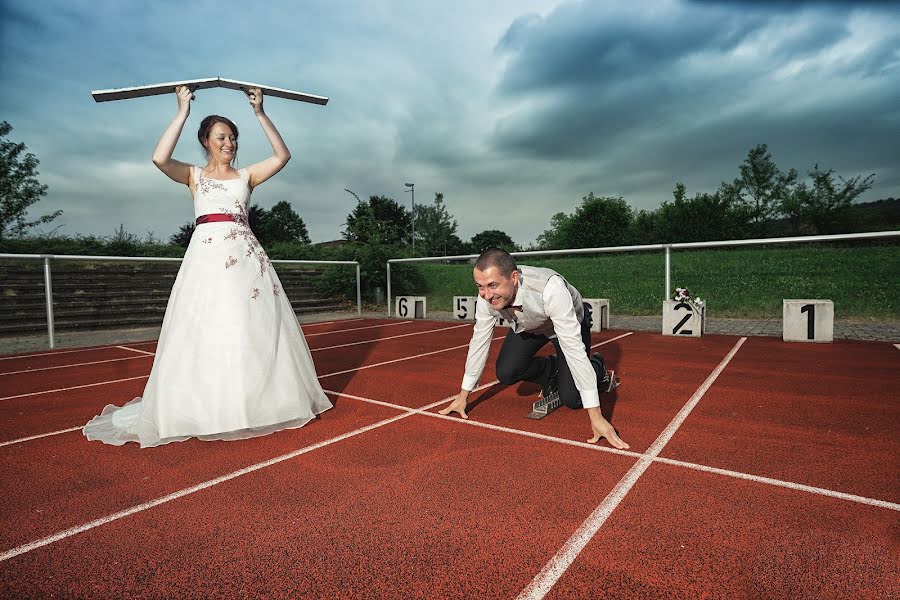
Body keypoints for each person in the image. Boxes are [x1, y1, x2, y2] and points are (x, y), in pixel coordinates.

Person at [83, 85, 332, 447]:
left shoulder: (246, 176)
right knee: (203, 326)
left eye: (233, 137)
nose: (229, 143)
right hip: (205, 260)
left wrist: (260, 112)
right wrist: (182, 110)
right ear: (205, 141)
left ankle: (252, 405)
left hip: (245, 262)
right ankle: (203, 407)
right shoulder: (193, 176)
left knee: (246, 327)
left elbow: (282, 155)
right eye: (221, 137)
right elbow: (158, 158)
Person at [439, 248, 629, 449]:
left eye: (493, 285)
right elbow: (479, 341)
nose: (486, 295)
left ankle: (597, 364)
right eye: (480, 286)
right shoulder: (487, 298)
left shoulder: (550, 290)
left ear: (513, 278)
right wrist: (462, 396)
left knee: (572, 399)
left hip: (564, 325)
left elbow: (572, 348)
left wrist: (596, 416)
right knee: (506, 372)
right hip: (529, 325)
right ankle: (553, 368)